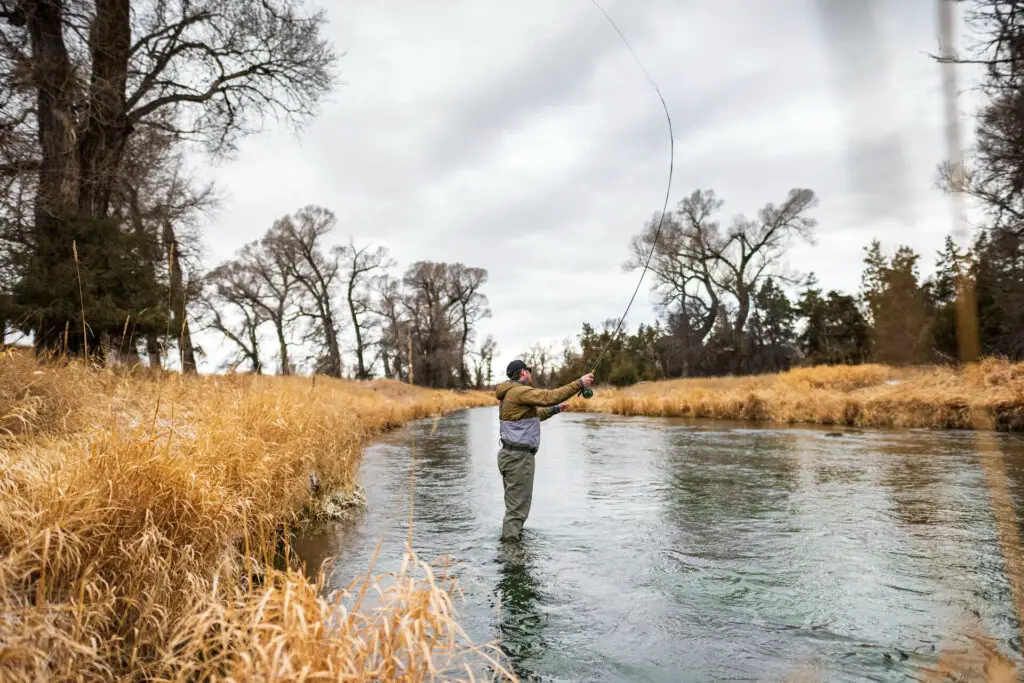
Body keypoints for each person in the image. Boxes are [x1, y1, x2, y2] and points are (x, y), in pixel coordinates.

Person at [494, 359, 595, 542]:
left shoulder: (509, 393)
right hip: (518, 459)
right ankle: (511, 556)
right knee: (517, 510)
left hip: (510, 455)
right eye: (529, 370)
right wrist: (579, 383)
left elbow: (534, 416)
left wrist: (556, 410)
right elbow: (549, 397)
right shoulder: (519, 391)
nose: (530, 373)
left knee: (515, 507)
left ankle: (514, 544)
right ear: (523, 372)